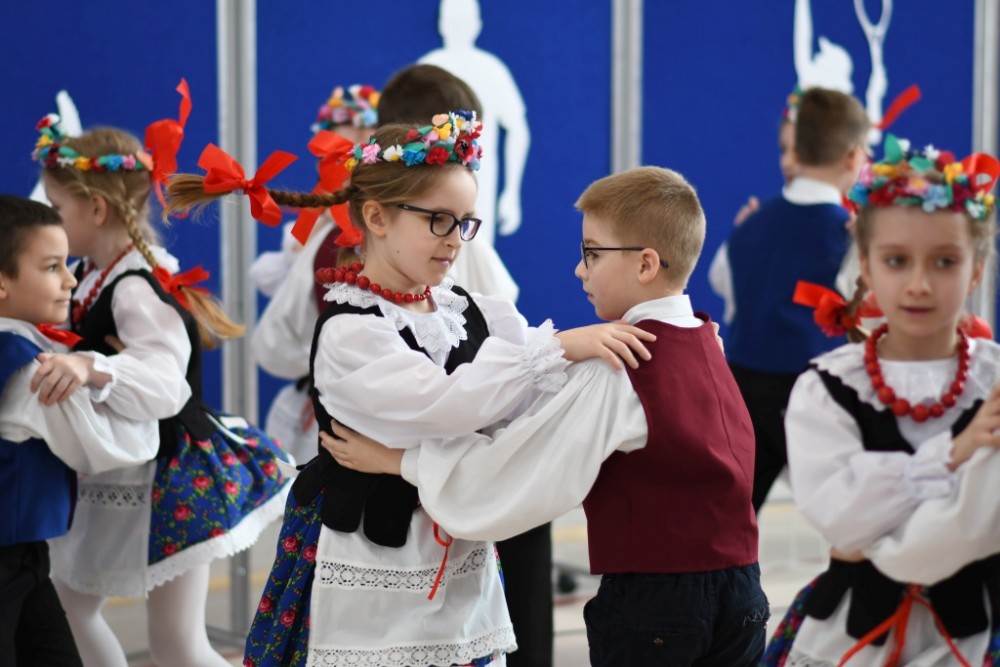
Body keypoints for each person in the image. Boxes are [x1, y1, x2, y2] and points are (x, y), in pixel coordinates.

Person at [167, 111, 654, 666]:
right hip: (370, 551)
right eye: (439, 221)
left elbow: (526, 405)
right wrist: (561, 347)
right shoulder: (352, 332)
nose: (455, 241)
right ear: (377, 217)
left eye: (465, 223)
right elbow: (446, 404)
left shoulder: (469, 310)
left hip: (456, 547)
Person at [324, 166, 770, 666]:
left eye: (592, 253)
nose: (579, 270)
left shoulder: (618, 367)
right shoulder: (707, 341)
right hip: (745, 597)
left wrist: (400, 462)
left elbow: (519, 467)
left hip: (660, 603)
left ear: (646, 264)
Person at [33, 88, 291, 667]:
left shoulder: (133, 286)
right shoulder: (92, 274)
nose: (49, 220)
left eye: (56, 207)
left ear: (95, 209)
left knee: (176, 642)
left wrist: (92, 365)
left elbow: (165, 384)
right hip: (123, 468)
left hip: (170, 476)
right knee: (72, 609)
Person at [759, 135, 1000, 666]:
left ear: (977, 269)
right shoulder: (827, 387)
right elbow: (842, 517)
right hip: (852, 639)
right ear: (866, 267)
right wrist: (957, 454)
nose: (919, 283)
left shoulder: (993, 376)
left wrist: (874, 541)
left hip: (978, 636)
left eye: (945, 261)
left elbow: (984, 519)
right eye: (896, 260)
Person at [0, 195, 159, 667]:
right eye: (52, 267)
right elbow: (108, 447)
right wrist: (111, 372)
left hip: (23, 560)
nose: (70, 279)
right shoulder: (32, 372)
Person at [720, 87, 870, 511]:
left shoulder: (749, 224)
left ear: (797, 150)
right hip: (811, 395)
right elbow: (863, 311)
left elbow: (726, 286)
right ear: (854, 156)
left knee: (735, 515)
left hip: (742, 389)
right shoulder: (849, 235)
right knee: (843, 510)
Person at [251, 83, 380, 465]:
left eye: (352, 152)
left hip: (364, 403)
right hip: (316, 397)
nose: (341, 165)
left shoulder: (372, 234)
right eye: (333, 155)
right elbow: (277, 286)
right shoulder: (318, 230)